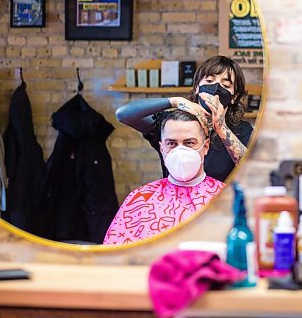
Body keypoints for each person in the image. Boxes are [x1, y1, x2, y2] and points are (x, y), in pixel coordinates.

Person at [115, 55, 254, 182]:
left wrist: (221, 127)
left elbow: (252, 169)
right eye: (210, 80)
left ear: (234, 97)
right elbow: (123, 115)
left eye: (225, 85)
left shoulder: (242, 130)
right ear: (197, 87)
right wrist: (173, 101)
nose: (216, 87)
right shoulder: (172, 123)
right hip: (174, 204)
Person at [103, 110, 225, 245]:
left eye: (189, 143)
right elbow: (115, 256)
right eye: (172, 143)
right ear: (162, 148)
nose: (180, 151)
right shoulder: (140, 199)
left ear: (205, 146)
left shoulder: (226, 197)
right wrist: (173, 101)